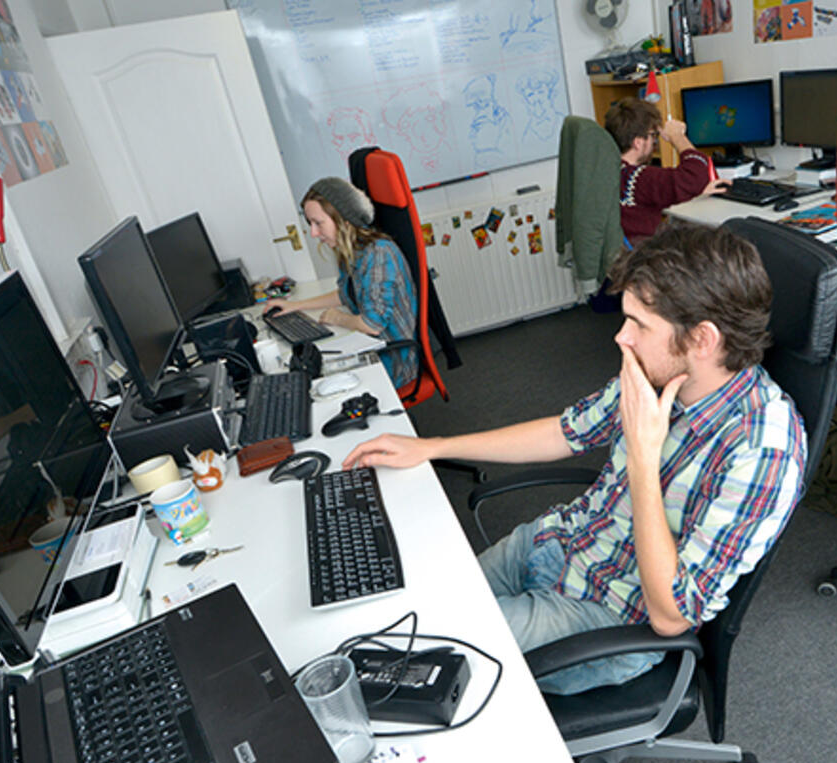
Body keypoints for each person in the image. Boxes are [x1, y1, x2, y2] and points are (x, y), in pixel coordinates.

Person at [344, 225, 807, 694]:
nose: (621, 339)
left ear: (702, 340)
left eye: (640, 325)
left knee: (416, 666)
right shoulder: (657, 372)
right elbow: (565, 431)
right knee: (411, 616)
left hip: (608, 617)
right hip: (557, 543)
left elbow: (672, 615)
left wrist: (645, 459)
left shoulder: (762, 449)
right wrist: (435, 446)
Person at [264, 177, 418, 388]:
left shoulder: (379, 253)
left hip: (393, 360)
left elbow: (372, 325)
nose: (314, 233)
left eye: (318, 223)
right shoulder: (352, 250)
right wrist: (295, 305)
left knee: (315, 383)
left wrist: (338, 318)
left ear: (344, 220)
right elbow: (346, 293)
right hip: (371, 346)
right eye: (310, 224)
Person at [606, 98, 730, 242]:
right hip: (644, 258)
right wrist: (678, 137)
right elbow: (696, 173)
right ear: (638, 143)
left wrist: (695, 191)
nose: (654, 142)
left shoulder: (609, 169)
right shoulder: (636, 177)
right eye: (653, 136)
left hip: (622, 256)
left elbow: (652, 196)